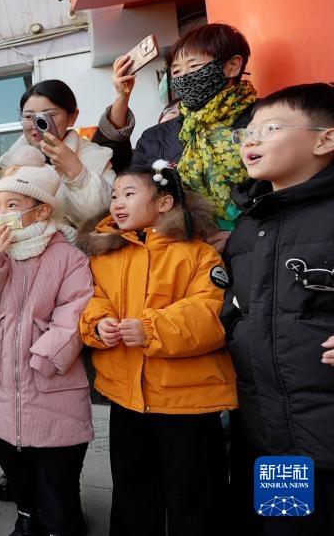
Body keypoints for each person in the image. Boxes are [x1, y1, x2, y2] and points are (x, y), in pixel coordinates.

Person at [78, 163, 236, 535]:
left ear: (164, 202)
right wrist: (98, 326)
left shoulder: (198, 254)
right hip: (127, 395)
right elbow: (93, 300)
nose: (117, 202)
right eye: (115, 195)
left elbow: (211, 314)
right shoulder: (105, 255)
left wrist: (150, 329)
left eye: (129, 193)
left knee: (192, 494)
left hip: (188, 401)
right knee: (133, 490)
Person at [222, 83, 334, 536]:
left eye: (270, 128)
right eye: (247, 133)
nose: (252, 141)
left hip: (325, 431)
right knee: (284, 524)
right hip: (269, 435)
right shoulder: (249, 225)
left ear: (325, 139)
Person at [0, 159, 94, 536]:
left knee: (57, 468)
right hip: (1, 376)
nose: (2, 214)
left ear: (43, 209)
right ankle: (27, 514)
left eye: (13, 205)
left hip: (49, 379)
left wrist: (46, 356)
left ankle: (61, 523)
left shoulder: (67, 255)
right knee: (10, 454)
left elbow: (76, 311)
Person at [106, 23, 255, 243]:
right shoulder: (155, 137)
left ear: (232, 66)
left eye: (193, 66)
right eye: (176, 71)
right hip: (184, 255)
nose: (183, 76)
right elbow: (136, 194)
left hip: (256, 249)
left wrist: (242, 238)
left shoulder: (261, 120)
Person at [0, 80, 115, 231]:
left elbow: (105, 219)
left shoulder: (96, 156)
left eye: (49, 115)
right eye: (29, 117)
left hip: (76, 252)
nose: (37, 125)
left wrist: (76, 172)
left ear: (72, 117)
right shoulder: (10, 158)